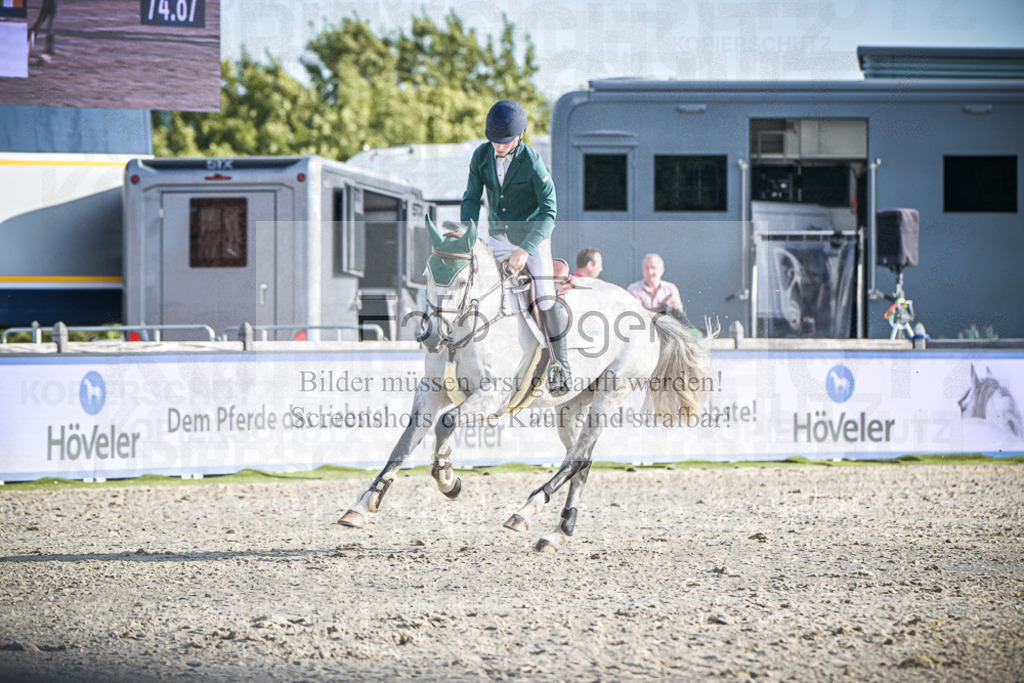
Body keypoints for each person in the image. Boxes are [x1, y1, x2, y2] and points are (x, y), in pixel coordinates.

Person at [461, 100, 571, 397]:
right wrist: (467, 235)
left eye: (505, 140)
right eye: (494, 140)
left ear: (520, 135)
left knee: (546, 297)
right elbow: (471, 198)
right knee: (475, 285)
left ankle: (561, 365)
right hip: (497, 237)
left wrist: (525, 248)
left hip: (532, 238)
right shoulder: (481, 156)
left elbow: (549, 211)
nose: (498, 146)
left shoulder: (533, 162)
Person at [627, 253, 684, 318]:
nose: (650, 272)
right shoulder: (633, 289)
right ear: (642, 269)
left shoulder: (670, 289)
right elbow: (634, 316)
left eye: (653, 267)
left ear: (662, 270)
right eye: (647, 268)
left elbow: (679, 316)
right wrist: (661, 308)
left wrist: (671, 309)